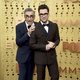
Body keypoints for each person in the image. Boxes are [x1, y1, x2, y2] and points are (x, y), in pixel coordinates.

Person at [30, 4, 60, 80]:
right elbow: (32, 44)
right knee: (40, 78)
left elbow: (57, 39)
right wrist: (45, 47)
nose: (43, 16)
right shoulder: (34, 27)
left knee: (55, 77)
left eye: (45, 14)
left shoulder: (54, 25)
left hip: (52, 58)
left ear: (48, 14)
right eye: (41, 14)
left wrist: (54, 44)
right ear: (39, 15)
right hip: (40, 58)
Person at [16, 8, 37, 80]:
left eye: (31, 16)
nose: (29, 18)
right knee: (22, 77)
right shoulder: (19, 27)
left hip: (33, 57)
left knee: (29, 77)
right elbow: (18, 42)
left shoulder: (38, 25)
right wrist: (28, 33)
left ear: (34, 17)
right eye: (27, 16)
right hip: (22, 57)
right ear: (24, 17)